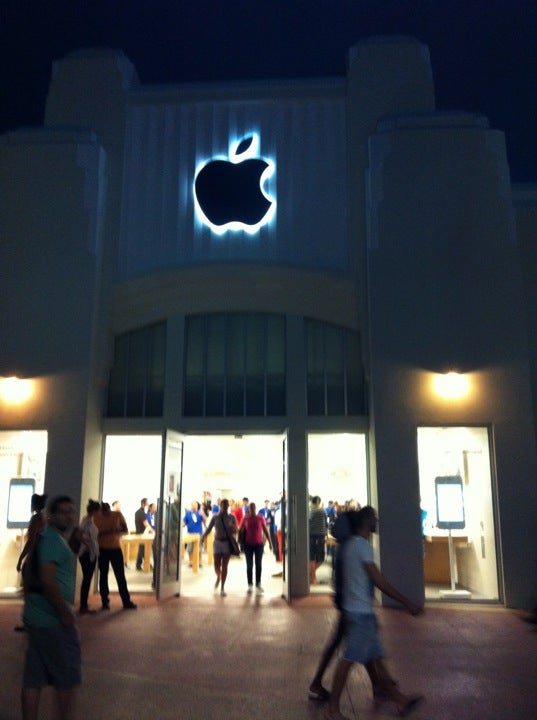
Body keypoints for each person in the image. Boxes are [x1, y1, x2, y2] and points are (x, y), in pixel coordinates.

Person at [324, 506, 424, 720]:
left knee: (377, 659)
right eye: (374, 519)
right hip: (361, 614)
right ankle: (332, 710)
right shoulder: (363, 548)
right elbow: (379, 581)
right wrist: (407, 603)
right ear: (367, 521)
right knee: (348, 661)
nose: (377, 522)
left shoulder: (349, 546)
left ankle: (400, 700)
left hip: (356, 611)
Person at [20, 495, 81, 720]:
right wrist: (64, 613)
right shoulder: (52, 541)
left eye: (71, 511)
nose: (69, 516)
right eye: (63, 512)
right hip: (52, 622)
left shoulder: (44, 538)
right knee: (65, 678)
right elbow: (48, 580)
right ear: (52, 515)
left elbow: (28, 573)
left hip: (36, 619)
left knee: (33, 678)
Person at [93, 502, 136, 611]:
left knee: (120, 575)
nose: (106, 514)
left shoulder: (117, 515)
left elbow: (125, 529)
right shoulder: (96, 517)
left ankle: (126, 601)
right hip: (102, 549)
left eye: (107, 511)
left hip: (115, 548)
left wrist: (117, 530)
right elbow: (92, 534)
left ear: (109, 509)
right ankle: (105, 601)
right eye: (104, 512)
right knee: (103, 575)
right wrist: (104, 532)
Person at [15, 493, 48, 632]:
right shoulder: (45, 518)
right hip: (42, 555)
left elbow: (31, 540)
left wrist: (21, 557)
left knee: (28, 590)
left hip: (34, 555)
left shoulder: (36, 518)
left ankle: (29, 620)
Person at [201, 499, 237, 597]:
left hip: (226, 543)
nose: (225, 507)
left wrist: (232, 527)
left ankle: (222, 587)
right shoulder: (215, 517)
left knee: (225, 565)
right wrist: (203, 536)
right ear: (220, 506)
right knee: (216, 565)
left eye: (226, 505)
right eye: (223, 505)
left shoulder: (232, 517)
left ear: (228, 506)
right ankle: (218, 576)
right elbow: (209, 528)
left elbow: (236, 530)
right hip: (217, 542)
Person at [240, 501, 272, 594]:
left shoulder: (260, 518)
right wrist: (239, 540)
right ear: (249, 509)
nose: (252, 509)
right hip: (248, 545)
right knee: (249, 565)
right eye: (250, 507)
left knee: (258, 564)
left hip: (259, 545)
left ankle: (258, 583)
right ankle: (250, 585)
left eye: (253, 507)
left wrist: (270, 543)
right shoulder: (245, 518)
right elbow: (241, 530)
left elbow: (265, 530)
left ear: (255, 508)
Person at [77, 499, 100, 614]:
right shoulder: (87, 522)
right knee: (87, 579)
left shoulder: (87, 520)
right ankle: (83, 606)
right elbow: (80, 535)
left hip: (88, 552)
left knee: (87, 579)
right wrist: (88, 545)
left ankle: (84, 604)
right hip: (87, 553)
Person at [309, 495, 327, 584]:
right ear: (318, 502)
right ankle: (311, 576)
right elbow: (326, 525)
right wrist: (326, 534)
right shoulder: (321, 511)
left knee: (311, 557)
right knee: (320, 558)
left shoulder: (309, 511)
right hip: (320, 537)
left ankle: (311, 576)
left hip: (310, 536)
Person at [183, 500, 205, 568]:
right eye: (193, 505)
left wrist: (203, 515)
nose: (194, 507)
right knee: (190, 548)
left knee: (199, 547)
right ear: (191, 506)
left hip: (199, 533)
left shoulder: (200, 513)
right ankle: (191, 562)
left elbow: (205, 521)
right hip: (190, 533)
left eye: (195, 505)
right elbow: (184, 522)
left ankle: (200, 561)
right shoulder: (188, 513)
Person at [134, 498, 150, 571]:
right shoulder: (140, 512)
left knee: (144, 550)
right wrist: (153, 531)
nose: (148, 505)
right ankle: (138, 565)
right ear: (143, 503)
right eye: (147, 503)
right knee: (141, 549)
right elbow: (146, 524)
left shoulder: (141, 512)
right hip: (141, 534)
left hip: (143, 534)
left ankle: (146, 564)